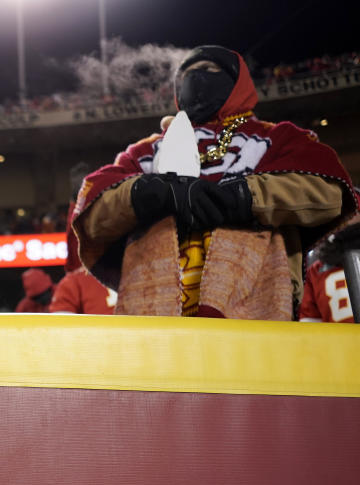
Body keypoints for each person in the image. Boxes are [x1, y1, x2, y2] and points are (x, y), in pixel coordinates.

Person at [71, 45, 357, 320]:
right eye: (186, 74)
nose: (196, 78)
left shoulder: (277, 137)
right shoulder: (145, 151)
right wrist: (144, 193)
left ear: (236, 82)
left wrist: (244, 197)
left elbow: (328, 193)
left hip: (253, 301)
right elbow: (91, 212)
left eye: (209, 68)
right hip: (157, 305)